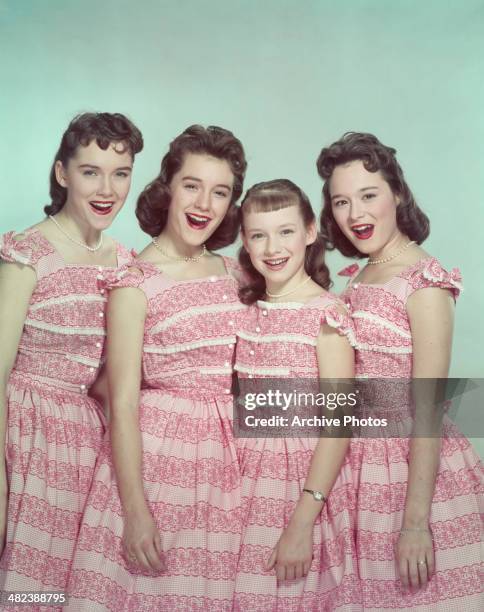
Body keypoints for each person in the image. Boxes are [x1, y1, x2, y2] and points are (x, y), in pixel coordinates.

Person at [67, 125, 248, 611]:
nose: (204, 204)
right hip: (158, 460)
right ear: (167, 187)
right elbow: (121, 401)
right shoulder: (134, 282)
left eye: (220, 192)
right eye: (192, 185)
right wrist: (135, 510)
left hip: (229, 468)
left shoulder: (239, 272)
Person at [317, 132, 483, 610]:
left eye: (369, 196)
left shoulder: (423, 281)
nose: (356, 215)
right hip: (357, 470)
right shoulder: (359, 275)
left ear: (398, 194)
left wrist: (415, 523)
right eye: (342, 202)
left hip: (410, 468)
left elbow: (428, 408)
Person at [0, 112, 143, 598]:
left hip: (87, 440)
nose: (107, 189)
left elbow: (113, 376)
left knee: (74, 590)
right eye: (90, 172)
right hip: (24, 432)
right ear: (63, 174)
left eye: (120, 174)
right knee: (26, 587)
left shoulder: (125, 262)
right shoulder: (27, 254)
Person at [233, 179, 360, 611]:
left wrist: (302, 523)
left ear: (309, 232)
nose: (272, 247)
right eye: (258, 234)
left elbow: (340, 425)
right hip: (239, 482)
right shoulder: (246, 309)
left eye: (286, 231)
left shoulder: (327, 315)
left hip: (297, 487)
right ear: (245, 242)